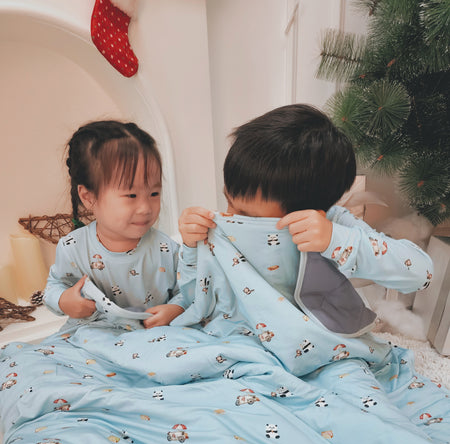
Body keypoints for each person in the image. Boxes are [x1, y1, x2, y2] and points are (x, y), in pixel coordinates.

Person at [177, 104, 433, 327]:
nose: (230, 217)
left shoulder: (333, 224)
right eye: (228, 200)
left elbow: (421, 274)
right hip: (239, 336)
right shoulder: (226, 230)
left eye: (246, 214)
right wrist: (191, 248)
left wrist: (334, 240)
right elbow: (195, 298)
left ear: (304, 214)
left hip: (317, 344)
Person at [44, 120, 187, 331]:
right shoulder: (73, 248)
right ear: (88, 197)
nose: (145, 208)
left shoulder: (165, 248)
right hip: (94, 335)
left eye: (154, 193)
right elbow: (53, 287)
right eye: (131, 195)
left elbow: (187, 291)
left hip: (153, 336)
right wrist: (65, 301)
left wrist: (175, 308)